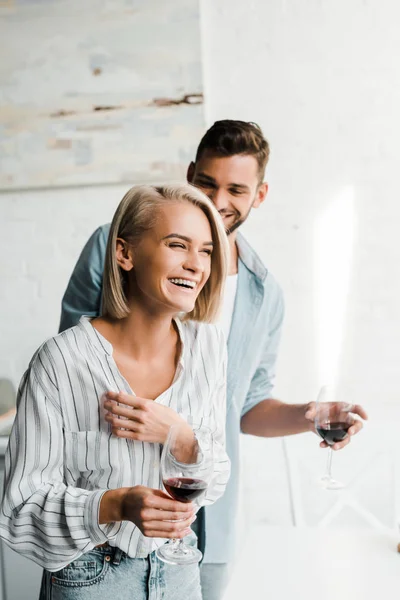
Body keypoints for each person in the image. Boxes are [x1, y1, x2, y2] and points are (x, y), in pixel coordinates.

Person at [58, 120, 368, 600]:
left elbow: (245, 408)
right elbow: (71, 366)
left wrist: (306, 417)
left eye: (236, 189)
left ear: (259, 196)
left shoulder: (265, 293)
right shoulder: (113, 245)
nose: (219, 200)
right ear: (189, 174)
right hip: (109, 508)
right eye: (207, 182)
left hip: (206, 518)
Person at [0, 183, 231, 600]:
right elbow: (20, 512)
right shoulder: (61, 362)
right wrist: (115, 505)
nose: (197, 265)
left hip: (181, 570)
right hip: (90, 578)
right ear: (124, 253)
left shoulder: (209, 348)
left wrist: (180, 436)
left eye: (207, 251)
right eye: (178, 245)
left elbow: (214, 484)